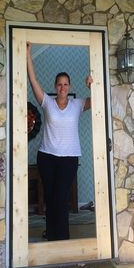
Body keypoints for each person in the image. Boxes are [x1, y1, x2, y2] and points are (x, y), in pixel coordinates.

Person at [27, 41, 93, 241]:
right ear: (55, 87)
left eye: (66, 84)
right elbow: (33, 80)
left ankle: (62, 236)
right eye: (59, 84)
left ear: (70, 86)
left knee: (60, 197)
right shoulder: (47, 102)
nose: (63, 87)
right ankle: (52, 233)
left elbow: (100, 99)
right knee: (50, 197)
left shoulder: (78, 104)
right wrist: (28, 53)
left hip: (69, 158)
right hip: (47, 156)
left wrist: (93, 83)